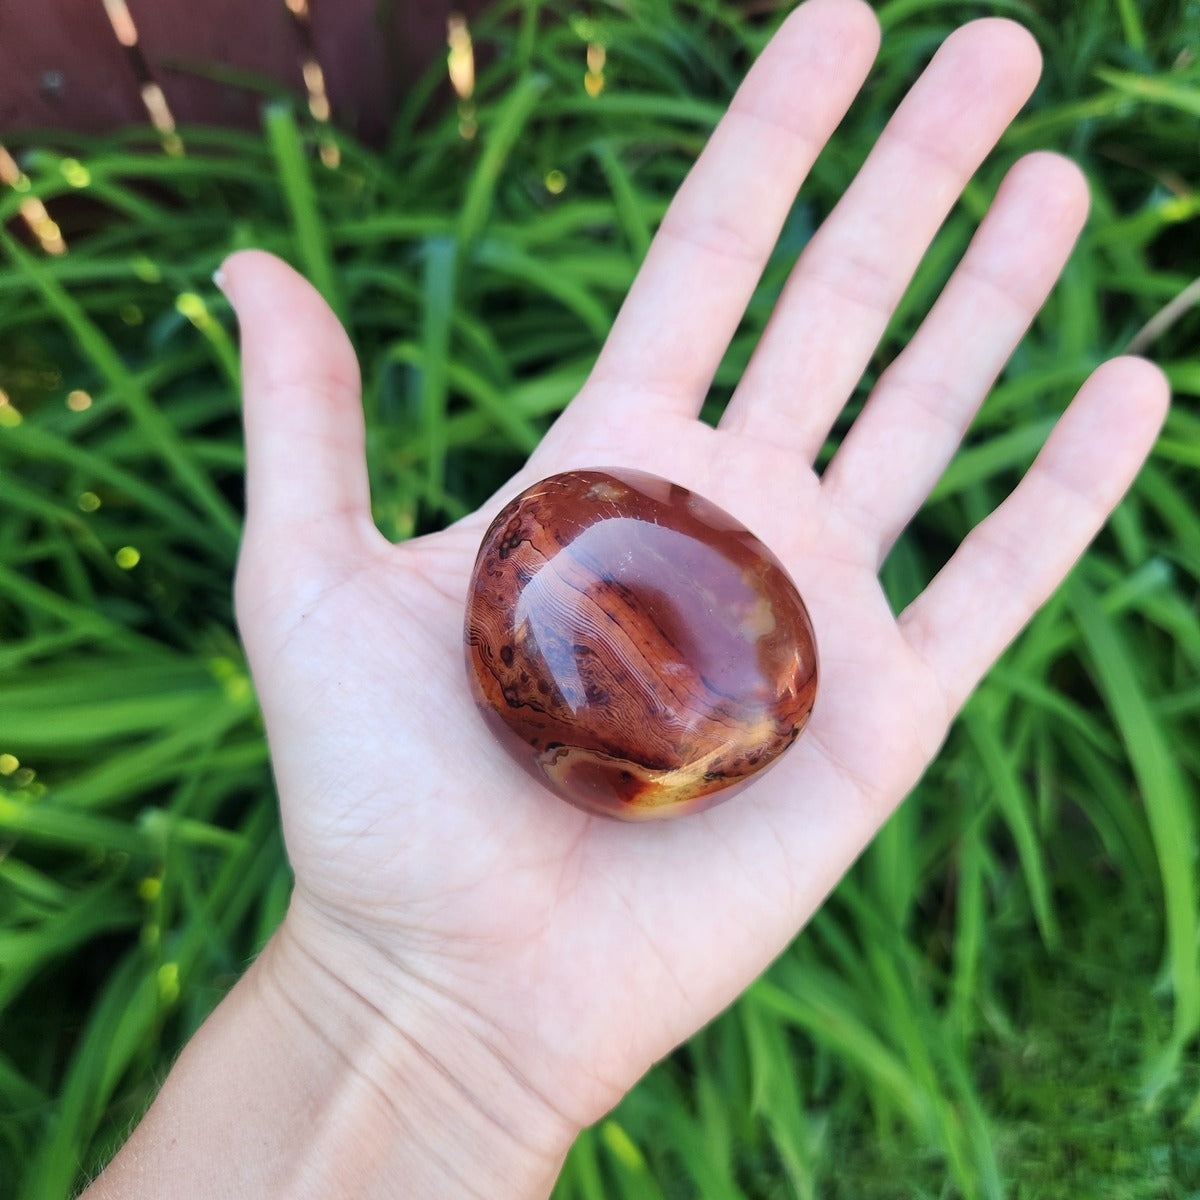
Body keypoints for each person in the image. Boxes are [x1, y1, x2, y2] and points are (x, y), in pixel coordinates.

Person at [82, 1, 1168, 1195]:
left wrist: (394, 1021)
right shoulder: (577, 567)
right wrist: (397, 998)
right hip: (637, 684)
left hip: (681, 689)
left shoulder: (625, 588)